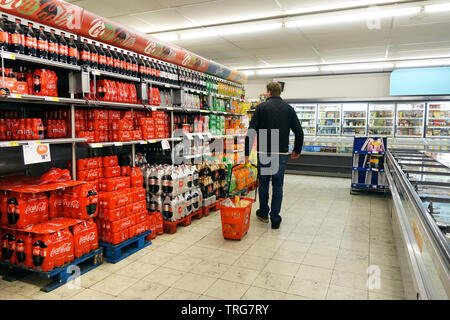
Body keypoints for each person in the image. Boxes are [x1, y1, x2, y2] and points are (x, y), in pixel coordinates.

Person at [245, 82, 304, 229]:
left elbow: (251, 131)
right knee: (278, 185)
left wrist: (246, 152)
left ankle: (263, 213)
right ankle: (275, 219)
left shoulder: (261, 108)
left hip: (265, 150)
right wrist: (297, 150)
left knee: (264, 183)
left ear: (268, 92)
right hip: (281, 152)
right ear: (280, 92)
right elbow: (299, 132)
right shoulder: (289, 109)